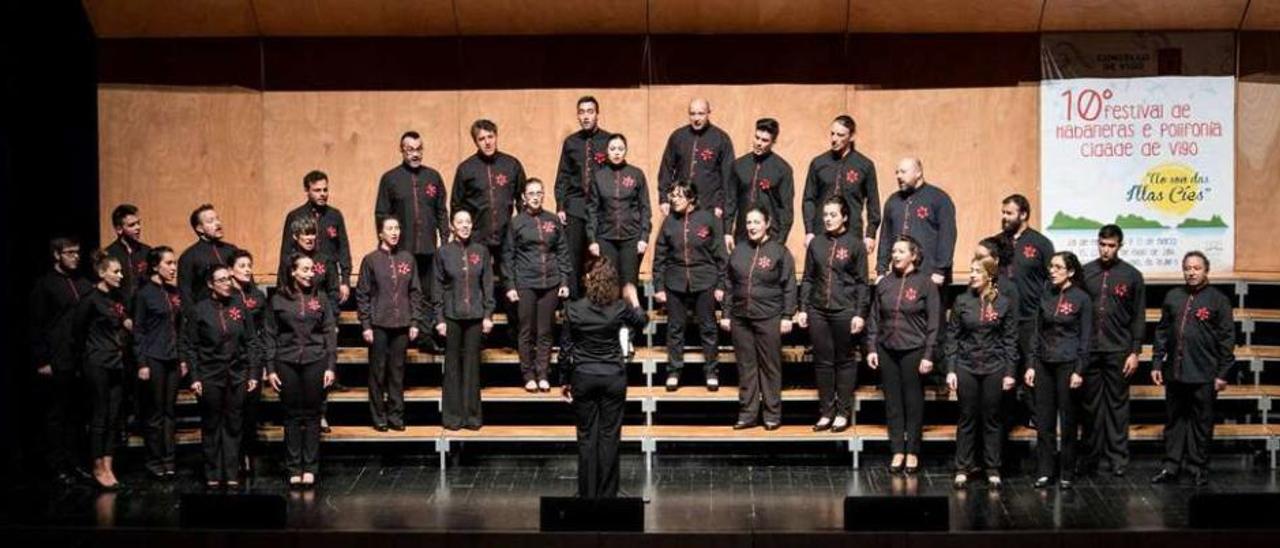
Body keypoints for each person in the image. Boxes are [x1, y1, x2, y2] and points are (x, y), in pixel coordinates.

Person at [561, 257, 648, 498]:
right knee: (610, 436)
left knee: (587, 436)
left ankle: (587, 494)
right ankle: (608, 495)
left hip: (584, 376)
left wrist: (564, 381)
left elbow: (566, 350)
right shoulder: (619, 307)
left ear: (587, 281)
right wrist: (634, 299)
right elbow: (642, 322)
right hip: (612, 377)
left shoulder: (574, 308)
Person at [1150, 252, 1234, 486]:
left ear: (1206, 270)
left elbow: (1227, 339)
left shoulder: (1218, 300)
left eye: (1197, 268)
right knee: (1174, 421)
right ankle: (1171, 466)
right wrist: (1157, 362)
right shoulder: (1173, 296)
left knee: (1201, 423)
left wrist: (1222, 373)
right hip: (1175, 372)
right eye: (1187, 268)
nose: (1191, 272)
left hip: (1205, 372)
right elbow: (1162, 331)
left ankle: (1198, 467)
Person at [181, 265, 260, 488]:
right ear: (210, 284)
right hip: (210, 375)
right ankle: (213, 473)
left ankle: (232, 472)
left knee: (234, 424)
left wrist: (253, 372)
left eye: (228, 279)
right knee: (212, 425)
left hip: (236, 374)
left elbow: (252, 341)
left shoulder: (239, 306)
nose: (227, 283)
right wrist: (194, 377)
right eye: (222, 280)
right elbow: (191, 347)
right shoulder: (200, 310)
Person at [867, 236, 940, 474]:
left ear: (914, 255)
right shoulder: (885, 283)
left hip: (914, 350)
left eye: (900, 251)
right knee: (893, 403)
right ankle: (897, 449)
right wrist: (871, 348)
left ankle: (913, 451)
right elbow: (874, 319)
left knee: (913, 401)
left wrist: (929, 354)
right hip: (888, 349)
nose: (895, 255)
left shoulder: (926, 284)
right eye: (894, 251)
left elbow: (934, 324)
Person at [795, 196, 869, 432]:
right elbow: (807, 278)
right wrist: (803, 308)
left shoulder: (855, 245)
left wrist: (859, 313)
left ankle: (842, 412)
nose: (827, 219)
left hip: (844, 310)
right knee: (823, 361)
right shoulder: (816, 243)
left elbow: (862, 283)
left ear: (844, 216)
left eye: (833, 215)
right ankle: (826, 412)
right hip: (818, 310)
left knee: (845, 360)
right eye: (825, 215)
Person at [720, 206, 797, 430]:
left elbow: (789, 286)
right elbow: (728, 284)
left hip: (769, 317)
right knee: (746, 367)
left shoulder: (779, 252)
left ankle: (772, 414)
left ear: (767, 223)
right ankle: (748, 414)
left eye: (756, 222)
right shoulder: (738, 251)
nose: (751, 226)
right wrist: (726, 313)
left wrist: (787, 315)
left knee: (770, 367)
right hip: (740, 318)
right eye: (748, 222)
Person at [264, 253, 338, 487]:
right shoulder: (277, 300)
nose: (310, 274)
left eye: (311, 270)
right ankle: (294, 466)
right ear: (293, 272)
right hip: (286, 362)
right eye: (304, 269)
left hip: (316, 361)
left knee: (313, 416)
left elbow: (329, 333)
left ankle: (311, 467)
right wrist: (271, 368)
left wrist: (330, 366)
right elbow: (269, 335)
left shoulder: (321, 298)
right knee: (292, 416)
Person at [945, 257, 1018, 488]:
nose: (972, 275)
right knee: (967, 417)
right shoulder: (962, 301)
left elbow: (1010, 340)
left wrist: (1009, 372)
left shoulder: (1003, 303)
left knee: (992, 419)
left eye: (977, 271)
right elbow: (952, 338)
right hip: (966, 366)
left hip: (995, 367)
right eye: (971, 270)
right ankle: (963, 467)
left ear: (990, 276)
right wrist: (950, 370)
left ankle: (992, 467)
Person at [1081, 224, 1146, 477]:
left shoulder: (1132, 275)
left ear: (1119, 246)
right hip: (1091, 350)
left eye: (1111, 246)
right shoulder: (1086, 273)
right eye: (1102, 244)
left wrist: (1135, 351)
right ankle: (1091, 459)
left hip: (1118, 349)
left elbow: (1138, 316)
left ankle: (1118, 459)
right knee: (1090, 407)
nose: (1106, 250)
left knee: (1118, 407)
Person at [375, 130, 448, 348]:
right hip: (401, 251)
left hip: (427, 249)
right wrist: (385, 245)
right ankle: (402, 339)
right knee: (402, 293)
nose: (415, 154)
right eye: (410, 150)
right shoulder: (390, 179)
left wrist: (444, 241)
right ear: (402, 151)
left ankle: (425, 337)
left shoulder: (433, 177)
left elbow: (441, 212)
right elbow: (381, 214)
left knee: (427, 294)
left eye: (419, 149)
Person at [1026, 251, 1092, 490]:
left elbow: (1086, 338)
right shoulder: (1046, 295)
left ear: (1070, 272)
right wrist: (1031, 364)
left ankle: (1067, 471)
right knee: (1043, 420)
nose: (1051, 270)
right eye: (1051, 266)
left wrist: (1079, 370)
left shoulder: (1082, 299)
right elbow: (1036, 332)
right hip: (1044, 363)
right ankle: (1045, 471)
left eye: (1057, 267)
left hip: (1068, 364)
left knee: (1068, 420)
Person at [652, 181, 727, 392]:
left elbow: (721, 256)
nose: (673, 199)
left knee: (708, 327)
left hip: (705, 280)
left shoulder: (709, 219)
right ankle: (674, 371)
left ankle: (711, 371)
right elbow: (659, 257)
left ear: (691, 198)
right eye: (672, 195)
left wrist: (721, 285)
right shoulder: (668, 222)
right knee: (675, 328)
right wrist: (659, 286)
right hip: (675, 282)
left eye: (679, 195)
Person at [29, 237, 93, 484]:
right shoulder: (45, 286)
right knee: (57, 414)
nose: (75, 257)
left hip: (82, 358)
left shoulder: (84, 283)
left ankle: (76, 462)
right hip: (58, 358)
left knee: (79, 415)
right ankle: (57, 465)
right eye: (69, 253)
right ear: (57, 255)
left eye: (77, 252)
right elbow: (36, 325)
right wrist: (42, 359)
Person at [356, 216, 425, 431]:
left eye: (397, 228)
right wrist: (366, 325)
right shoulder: (371, 260)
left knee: (397, 372)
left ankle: (396, 416)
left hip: (402, 323)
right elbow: (362, 294)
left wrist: (414, 321)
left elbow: (415, 292)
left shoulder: (408, 258)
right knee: (378, 372)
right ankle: (378, 416)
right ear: (381, 233)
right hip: (378, 324)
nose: (394, 232)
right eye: (390, 228)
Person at [504, 178, 572, 392]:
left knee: (545, 331)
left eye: (538, 193)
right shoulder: (516, 222)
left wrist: (564, 281)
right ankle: (528, 375)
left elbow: (563, 252)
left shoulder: (553, 220)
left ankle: (543, 373)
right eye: (531, 193)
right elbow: (508, 256)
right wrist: (510, 286)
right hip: (525, 282)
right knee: (526, 331)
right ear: (524, 197)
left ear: (543, 195)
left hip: (550, 282)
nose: (535, 197)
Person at [433, 209, 495, 430]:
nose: (465, 225)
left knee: (472, 367)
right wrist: (439, 319)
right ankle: (452, 418)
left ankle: (472, 417)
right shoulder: (443, 253)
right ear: (452, 226)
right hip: (451, 316)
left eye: (468, 222)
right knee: (452, 368)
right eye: (460, 222)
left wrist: (488, 315)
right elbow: (437, 288)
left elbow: (487, 285)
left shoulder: (482, 252)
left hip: (476, 316)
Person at [74, 251, 130, 489]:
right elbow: (77, 332)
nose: (121, 275)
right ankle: (97, 465)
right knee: (100, 415)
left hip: (117, 362)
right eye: (116, 271)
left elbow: (122, 322)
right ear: (101, 273)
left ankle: (109, 464)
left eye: (121, 271)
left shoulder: (116, 298)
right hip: (97, 363)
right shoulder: (90, 299)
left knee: (114, 415)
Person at [131, 246, 185, 478]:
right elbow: (138, 331)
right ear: (155, 266)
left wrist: (182, 359)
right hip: (153, 358)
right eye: (169, 263)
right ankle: (154, 461)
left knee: (169, 412)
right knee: (154, 414)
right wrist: (141, 362)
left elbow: (180, 328)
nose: (173, 268)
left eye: (174, 263)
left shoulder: (174, 292)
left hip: (172, 358)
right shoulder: (144, 294)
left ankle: (169, 459)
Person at [1000, 194, 1054, 426]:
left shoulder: (1040, 243)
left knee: (1031, 370)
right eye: (1003, 212)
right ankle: (1008, 418)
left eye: (1009, 213)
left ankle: (1036, 418)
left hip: (1030, 317)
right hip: (1002, 318)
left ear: (1023, 214)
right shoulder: (997, 242)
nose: (1004, 217)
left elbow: (1052, 279)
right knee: (1005, 370)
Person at [452, 119, 525, 290]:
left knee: (510, 281)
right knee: (476, 282)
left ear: (496, 136)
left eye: (490, 137)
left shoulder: (511, 165)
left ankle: (512, 315)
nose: (487, 142)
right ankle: (481, 317)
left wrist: (522, 227)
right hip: (477, 236)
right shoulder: (466, 169)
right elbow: (457, 205)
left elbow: (522, 199)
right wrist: (460, 232)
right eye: (482, 139)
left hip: (506, 235)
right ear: (475, 142)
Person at [554, 96, 613, 298]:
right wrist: (560, 206)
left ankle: (602, 304)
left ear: (597, 114)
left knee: (602, 257)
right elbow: (563, 176)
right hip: (576, 206)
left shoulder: (609, 141)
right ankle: (573, 308)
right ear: (578, 116)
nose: (586, 116)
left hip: (602, 209)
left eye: (590, 111)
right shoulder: (571, 142)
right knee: (573, 257)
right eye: (582, 112)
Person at [801, 115, 880, 254]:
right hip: (822, 232)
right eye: (832, 134)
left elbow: (873, 203)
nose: (834, 139)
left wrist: (870, 234)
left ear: (852, 136)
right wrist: (809, 231)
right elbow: (809, 199)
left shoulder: (865, 165)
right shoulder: (818, 163)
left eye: (840, 135)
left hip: (852, 232)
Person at [876, 158, 956, 287]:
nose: (898, 176)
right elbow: (885, 237)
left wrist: (940, 270)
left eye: (903, 172)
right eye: (897, 172)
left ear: (918, 173)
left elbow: (947, 236)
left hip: (931, 276)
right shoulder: (893, 201)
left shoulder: (939, 198)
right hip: (899, 276)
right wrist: (881, 270)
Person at [587, 133, 652, 287]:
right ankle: (610, 312)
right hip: (605, 237)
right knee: (608, 282)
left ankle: (629, 311)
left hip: (631, 237)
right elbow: (592, 210)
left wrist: (643, 237)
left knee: (629, 283)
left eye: (620, 149)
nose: (616, 152)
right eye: (613, 148)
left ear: (626, 151)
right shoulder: (599, 176)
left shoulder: (636, 174)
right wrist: (592, 240)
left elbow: (645, 208)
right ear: (607, 151)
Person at [279, 170, 353, 304]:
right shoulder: (295, 216)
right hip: (302, 281)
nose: (323, 194)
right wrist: (282, 287)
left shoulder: (335, 216)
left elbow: (343, 249)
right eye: (317, 190)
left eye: (325, 190)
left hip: (328, 281)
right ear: (307, 191)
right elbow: (286, 253)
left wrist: (345, 281)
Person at [657, 98, 734, 220]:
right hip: (680, 205)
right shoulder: (678, 137)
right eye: (692, 114)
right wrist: (663, 198)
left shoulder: (721, 139)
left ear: (709, 112)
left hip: (709, 205)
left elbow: (728, 177)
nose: (696, 118)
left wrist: (720, 204)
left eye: (701, 113)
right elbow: (666, 169)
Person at [724, 118, 793, 249]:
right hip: (743, 233)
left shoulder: (782, 169)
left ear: (773, 142)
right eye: (757, 138)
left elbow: (786, 208)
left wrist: (781, 240)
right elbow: (730, 201)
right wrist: (727, 232)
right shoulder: (739, 165)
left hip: (771, 235)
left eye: (765, 140)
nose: (759, 143)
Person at [178, 204, 240, 308]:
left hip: (235, 310)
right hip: (208, 315)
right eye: (211, 221)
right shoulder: (189, 256)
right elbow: (185, 294)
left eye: (217, 219)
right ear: (199, 228)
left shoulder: (232, 250)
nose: (218, 224)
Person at [278, 217, 341, 312]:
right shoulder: (288, 261)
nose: (310, 238)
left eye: (313, 234)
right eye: (306, 234)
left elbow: (333, 291)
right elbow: (282, 289)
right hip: (294, 313)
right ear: (295, 236)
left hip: (320, 312)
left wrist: (331, 317)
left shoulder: (325, 260)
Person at [105, 203, 151, 306]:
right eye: (132, 225)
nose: (138, 227)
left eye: (138, 223)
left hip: (145, 312)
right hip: (120, 313)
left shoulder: (147, 251)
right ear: (119, 229)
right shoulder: (109, 254)